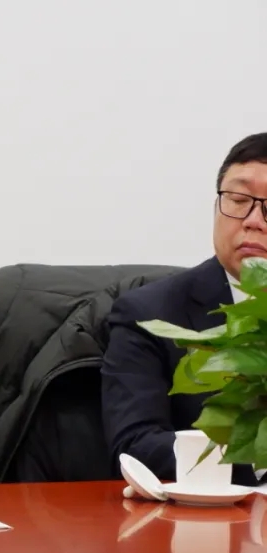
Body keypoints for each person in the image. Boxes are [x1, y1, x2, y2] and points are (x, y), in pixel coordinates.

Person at [101, 132, 267, 486]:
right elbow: (134, 447)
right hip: (211, 516)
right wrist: (255, 455)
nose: (253, 220)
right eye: (239, 200)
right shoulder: (150, 314)